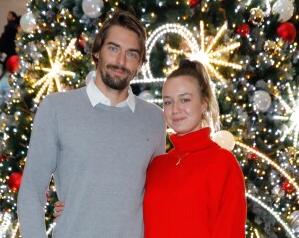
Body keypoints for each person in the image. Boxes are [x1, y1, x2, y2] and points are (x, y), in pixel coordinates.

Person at [54, 60, 247, 237]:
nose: (175, 109)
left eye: (185, 100)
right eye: (168, 101)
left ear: (203, 104)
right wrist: (75, 207)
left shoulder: (222, 163)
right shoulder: (157, 165)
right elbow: (122, 207)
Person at [17, 10, 166, 238]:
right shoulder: (57, 109)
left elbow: (157, 197)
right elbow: (31, 190)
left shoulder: (154, 119)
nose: (121, 61)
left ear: (139, 64)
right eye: (113, 48)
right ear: (97, 51)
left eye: (132, 54)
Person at [0, 11, 18, 81]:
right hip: (8, 52)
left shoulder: (11, 28)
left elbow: (6, 40)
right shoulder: (9, 27)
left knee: (6, 69)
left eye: (9, 15)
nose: (7, 16)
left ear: (13, 18)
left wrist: (1, 50)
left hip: (8, 52)